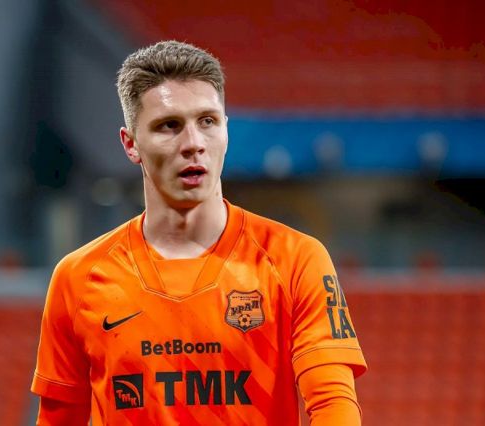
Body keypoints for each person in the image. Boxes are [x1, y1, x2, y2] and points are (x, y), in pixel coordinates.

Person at [31, 40, 367, 425]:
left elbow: (333, 403)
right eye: (169, 126)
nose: (193, 144)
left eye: (207, 121)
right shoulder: (78, 278)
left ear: (226, 130)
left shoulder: (295, 258)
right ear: (131, 144)